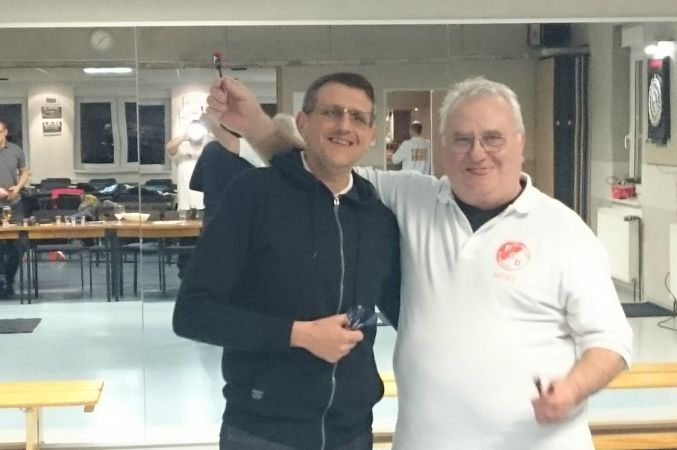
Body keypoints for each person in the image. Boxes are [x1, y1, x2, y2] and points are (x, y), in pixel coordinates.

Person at [209, 75, 633, 449]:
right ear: (443, 145)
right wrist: (257, 126)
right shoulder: (412, 198)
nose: (477, 153)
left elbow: (611, 340)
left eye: (492, 138)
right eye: (462, 139)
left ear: (520, 140)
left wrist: (573, 389)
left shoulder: (562, 229)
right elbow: (321, 166)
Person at [174, 72, 401, 450]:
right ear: (303, 123)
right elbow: (193, 314)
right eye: (332, 112)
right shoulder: (252, 196)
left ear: (372, 134)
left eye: (358, 118)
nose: (345, 126)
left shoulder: (377, 217)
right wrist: (298, 335)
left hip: (351, 432)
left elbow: (397, 310)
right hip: (263, 433)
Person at [0, 119, 30, 299]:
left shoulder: (16, 150)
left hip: (14, 203)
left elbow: (25, 171)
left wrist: (18, 187)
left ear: (5, 132)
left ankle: (9, 280)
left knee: (19, 244)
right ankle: (1, 282)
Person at [166, 118, 211, 211]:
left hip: (205, 199)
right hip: (185, 201)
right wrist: (185, 135)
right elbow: (169, 147)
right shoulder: (181, 148)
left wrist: (209, 132)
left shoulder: (209, 148)